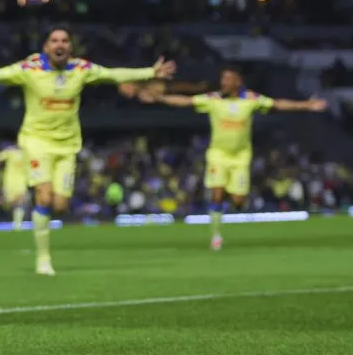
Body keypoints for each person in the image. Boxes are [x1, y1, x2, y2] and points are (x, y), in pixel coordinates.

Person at [0, 27, 176, 275]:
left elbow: (112, 74)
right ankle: (43, 259)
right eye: (54, 40)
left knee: (60, 205)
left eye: (65, 40)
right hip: (36, 142)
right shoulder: (30, 69)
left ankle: (40, 209)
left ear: (70, 47)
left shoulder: (81, 69)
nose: (60, 44)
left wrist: (150, 72)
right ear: (46, 47)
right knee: (44, 197)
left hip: (67, 146)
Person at [139, 66, 326, 250]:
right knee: (217, 193)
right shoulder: (213, 99)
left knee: (238, 200)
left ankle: (222, 202)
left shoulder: (251, 99)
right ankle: (215, 235)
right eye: (222, 79)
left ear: (238, 81)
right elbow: (185, 102)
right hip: (218, 154)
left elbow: (277, 104)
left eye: (228, 79)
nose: (223, 82)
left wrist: (306, 105)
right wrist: (160, 97)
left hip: (241, 157)